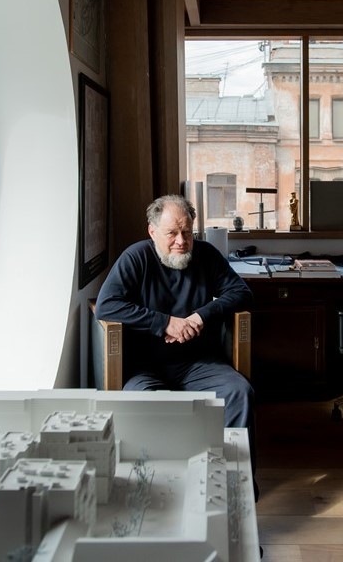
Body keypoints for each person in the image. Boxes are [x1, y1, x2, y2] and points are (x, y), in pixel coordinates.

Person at [94, 194, 258, 476]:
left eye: (187, 232)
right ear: (152, 231)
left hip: (199, 363)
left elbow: (242, 293)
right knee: (145, 402)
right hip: (145, 367)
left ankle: (234, 482)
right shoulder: (136, 257)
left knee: (239, 392)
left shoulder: (206, 255)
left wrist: (200, 316)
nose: (181, 241)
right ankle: (160, 485)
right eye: (172, 233)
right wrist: (166, 323)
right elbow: (106, 305)